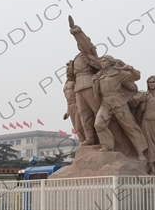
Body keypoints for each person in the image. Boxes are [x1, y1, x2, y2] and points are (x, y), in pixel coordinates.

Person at [92, 55, 148, 161]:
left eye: (104, 61)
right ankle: (107, 146)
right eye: (101, 61)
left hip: (118, 101)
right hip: (105, 103)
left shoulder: (118, 73)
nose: (102, 63)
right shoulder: (99, 75)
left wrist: (131, 69)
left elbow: (136, 77)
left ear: (110, 62)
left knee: (129, 126)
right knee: (99, 124)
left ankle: (140, 151)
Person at [68, 16, 102, 145]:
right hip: (78, 87)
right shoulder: (77, 57)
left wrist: (76, 32)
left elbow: (86, 43)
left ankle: (103, 138)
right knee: (83, 114)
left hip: (88, 83)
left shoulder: (89, 55)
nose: (80, 45)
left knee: (96, 111)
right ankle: (90, 138)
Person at [63, 60, 86, 144]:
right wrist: (68, 111)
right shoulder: (66, 84)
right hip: (70, 106)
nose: (67, 72)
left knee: (80, 125)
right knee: (76, 127)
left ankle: (86, 141)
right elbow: (67, 98)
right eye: (67, 71)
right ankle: (82, 142)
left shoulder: (76, 81)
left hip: (77, 104)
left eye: (69, 70)